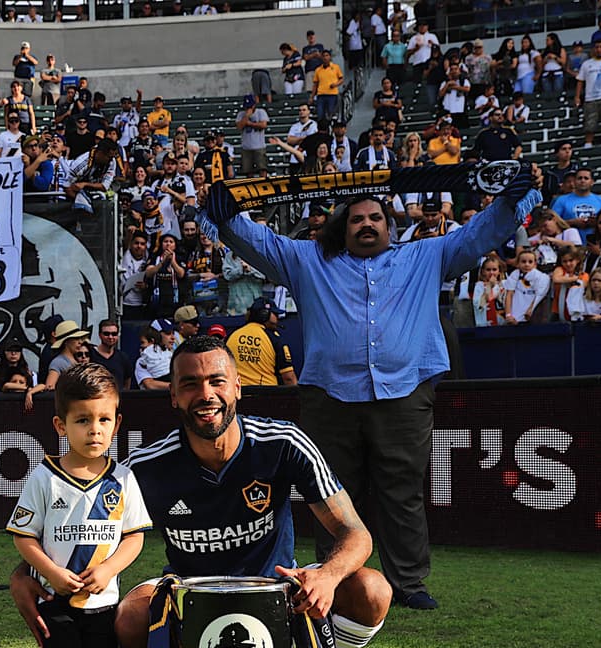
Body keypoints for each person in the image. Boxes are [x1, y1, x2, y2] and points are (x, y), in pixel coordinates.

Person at [197, 163, 539, 608]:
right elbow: (258, 242)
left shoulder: (427, 255)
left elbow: (479, 234)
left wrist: (512, 198)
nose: (366, 224)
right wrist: (226, 212)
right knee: (331, 494)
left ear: (389, 226)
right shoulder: (308, 260)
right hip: (329, 396)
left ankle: (409, 583)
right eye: (356, 218)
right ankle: (332, 580)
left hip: (404, 393)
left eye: (375, 218)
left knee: (403, 491)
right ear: (343, 226)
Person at [11, 338, 390, 648]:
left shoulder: (283, 443)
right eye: (190, 384)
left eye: (217, 381)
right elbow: (78, 525)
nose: (205, 393)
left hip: (274, 594)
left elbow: (355, 533)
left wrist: (328, 575)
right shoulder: (147, 468)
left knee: (371, 590)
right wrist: (22, 574)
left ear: (238, 388)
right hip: (189, 599)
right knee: (130, 617)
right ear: (173, 395)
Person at [6, 363, 151, 648]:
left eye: (104, 419)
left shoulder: (123, 479)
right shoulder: (44, 478)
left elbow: (134, 537)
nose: (95, 429)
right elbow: (24, 537)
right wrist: (50, 572)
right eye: (83, 420)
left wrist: (108, 571)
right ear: (60, 424)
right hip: (57, 600)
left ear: (117, 423)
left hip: (104, 602)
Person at [226, 297, 295, 386]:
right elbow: (289, 378)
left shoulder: (232, 336)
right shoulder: (274, 338)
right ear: (264, 314)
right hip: (266, 395)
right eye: (275, 314)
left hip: (237, 394)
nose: (278, 318)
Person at [89, 317, 132, 389]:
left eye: (114, 334)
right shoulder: (90, 354)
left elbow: (127, 382)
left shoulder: (123, 357)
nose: (110, 337)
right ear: (100, 335)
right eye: (106, 334)